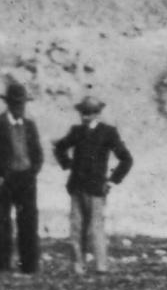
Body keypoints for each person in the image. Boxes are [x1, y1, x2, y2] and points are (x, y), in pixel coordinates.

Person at [56, 92, 132, 271]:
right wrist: (68, 165)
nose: (85, 116)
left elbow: (126, 159)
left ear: (98, 113)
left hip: (97, 188)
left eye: (89, 113)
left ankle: (101, 266)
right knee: (76, 228)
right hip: (76, 187)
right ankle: (77, 265)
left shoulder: (108, 132)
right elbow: (60, 148)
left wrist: (113, 181)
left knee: (95, 228)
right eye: (83, 112)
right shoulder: (76, 131)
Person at [0, 79, 49, 277]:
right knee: (2, 223)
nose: (19, 108)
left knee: (28, 223)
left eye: (22, 104)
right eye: (15, 104)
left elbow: (38, 154)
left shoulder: (30, 125)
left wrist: (32, 172)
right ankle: (3, 265)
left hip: (26, 179)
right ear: (8, 104)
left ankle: (29, 266)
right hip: (4, 180)